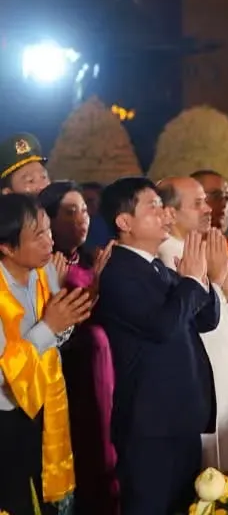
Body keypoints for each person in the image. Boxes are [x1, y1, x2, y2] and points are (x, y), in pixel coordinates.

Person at [95, 177, 220, 515]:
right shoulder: (120, 272)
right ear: (124, 222)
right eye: (152, 206)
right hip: (149, 424)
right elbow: (162, 327)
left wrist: (202, 277)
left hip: (178, 418)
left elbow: (205, 321)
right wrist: (191, 282)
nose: (165, 214)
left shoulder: (155, 268)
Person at [0, 193, 92, 514]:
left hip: (45, 405)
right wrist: (48, 327)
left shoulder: (45, 273)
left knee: (47, 496)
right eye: (37, 235)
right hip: (7, 416)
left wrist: (65, 321)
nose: (49, 241)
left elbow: (58, 338)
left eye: (48, 230)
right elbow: (3, 373)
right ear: (7, 248)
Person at [159, 176, 228, 471]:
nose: (208, 209)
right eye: (198, 203)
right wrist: (212, 278)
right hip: (202, 384)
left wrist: (224, 279)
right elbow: (192, 323)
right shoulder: (165, 257)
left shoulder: (209, 250)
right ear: (171, 213)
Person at [38, 181, 118, 515]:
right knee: (83, 447)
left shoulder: (91, 259)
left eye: (84, 209)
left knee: (108, 442)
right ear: (49, 220)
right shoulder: (45, 269)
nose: (80, 219)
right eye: (69, 212)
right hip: (72, 374)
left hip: (105, 368)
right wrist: (95, 290)